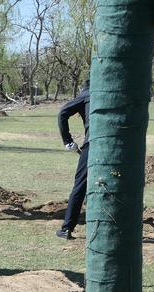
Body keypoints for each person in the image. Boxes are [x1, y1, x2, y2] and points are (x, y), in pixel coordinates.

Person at [56, 80, 90, 240]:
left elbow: (62, 113)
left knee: (80, 185)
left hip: (93, 144)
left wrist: (67, 140)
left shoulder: (86, 94)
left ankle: (67, 228)